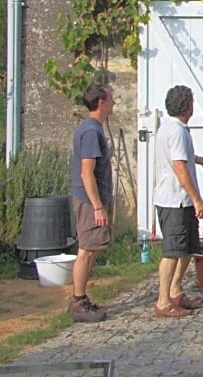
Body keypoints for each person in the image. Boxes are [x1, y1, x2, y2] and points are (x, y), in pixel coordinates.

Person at [152, 85, 203, 318]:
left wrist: (196, 159)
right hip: (174, 199)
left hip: (181, 199)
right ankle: (163, 302)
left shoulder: (174, 129)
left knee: (188, 248)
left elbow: (179, 157)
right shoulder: (175, 131)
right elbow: (177, 166)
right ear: (188, 106)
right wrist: (198, 199)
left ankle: (176, 291)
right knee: (173, 251)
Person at [68, 83, 116, 323]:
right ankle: (78, 301)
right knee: (86, 250)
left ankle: (81, 298)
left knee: (92, 249)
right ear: (101, 102)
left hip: (93, 200)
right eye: (111, 99)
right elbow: (86, 173)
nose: (114, 103)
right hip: (88, 201)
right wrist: (97, 206)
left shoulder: (93, 129)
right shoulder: (90, 132)